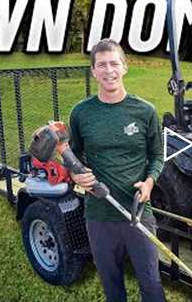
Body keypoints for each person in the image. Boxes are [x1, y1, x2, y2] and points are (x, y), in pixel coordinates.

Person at [69, 39, 165, 302]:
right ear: (93, 71)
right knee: (112, 287)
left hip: (138, 213)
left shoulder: (145, 111)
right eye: (101, 65)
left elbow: (157, 155)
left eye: (114, 63)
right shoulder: (81, 113)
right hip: (99, 216)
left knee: (152, 285)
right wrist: (76, 175)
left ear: (124, 67)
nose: (108, 70)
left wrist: (149, 182)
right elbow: (74, 155)